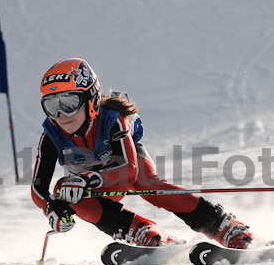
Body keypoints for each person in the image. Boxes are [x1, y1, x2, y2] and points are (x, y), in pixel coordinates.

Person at [31, 58, 257, 249]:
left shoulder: (111, 119)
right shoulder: (51, 133)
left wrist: (87, 179)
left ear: (90, 99)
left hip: (124, 165)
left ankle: (222, 226)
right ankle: (141, 231)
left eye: (69, 103)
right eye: (51, 106)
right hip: (93, 182)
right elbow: (38, 187)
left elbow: (128, 172)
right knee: (65, 190)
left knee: (145, 182)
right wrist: (51, 207)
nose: (61, 115)